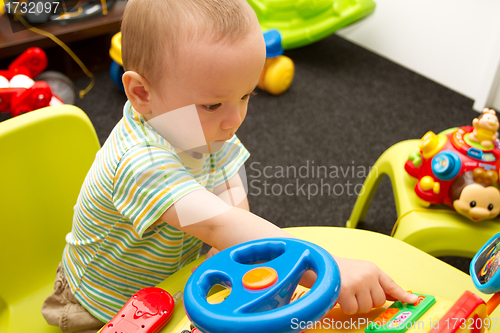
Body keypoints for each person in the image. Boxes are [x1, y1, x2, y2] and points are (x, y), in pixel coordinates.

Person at [41, 0, 417, 331]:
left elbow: (233, 208)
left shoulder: (205, 127)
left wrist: (252, 266)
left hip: (177, 280)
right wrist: (326, 266)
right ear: (142, 93)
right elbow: (218, 224)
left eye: (246, 95)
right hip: (104, 304)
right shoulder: (139, 161)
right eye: (213, 104)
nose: (235, 119)